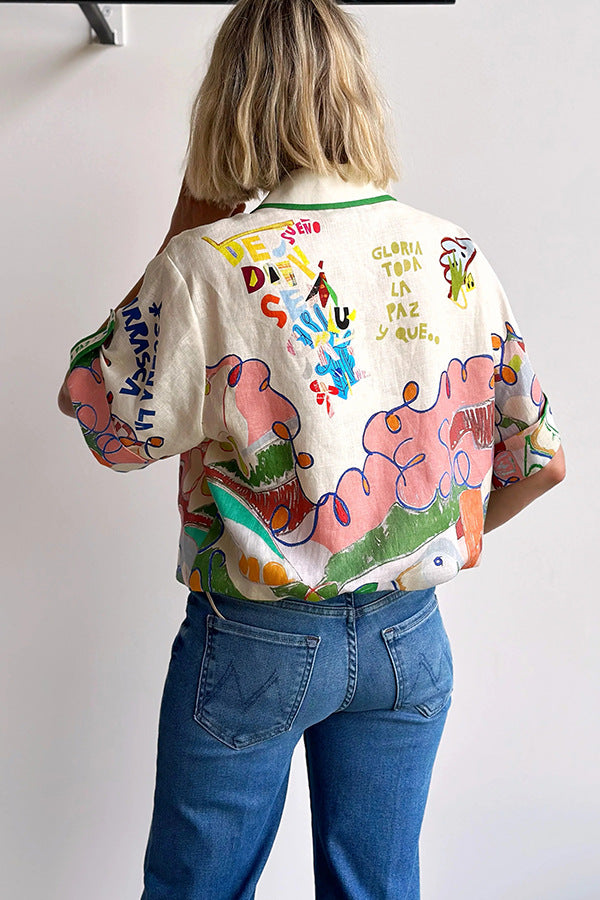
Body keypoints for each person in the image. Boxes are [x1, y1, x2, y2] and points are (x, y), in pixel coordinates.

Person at [58, 0, 565, 897]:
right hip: (411, 636)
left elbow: (105, 421)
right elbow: (542, 461)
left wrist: (187, 220)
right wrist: (419, 542)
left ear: (231, 101)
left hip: (255, 640)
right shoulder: (453, 253)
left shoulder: (208, 263)